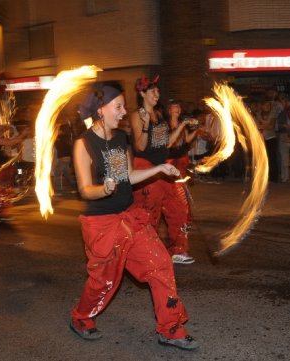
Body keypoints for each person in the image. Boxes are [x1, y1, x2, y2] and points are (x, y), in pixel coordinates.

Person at [70, 83, 199, 350]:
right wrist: (102, 189)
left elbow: (128, 175)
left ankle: (170, 327)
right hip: (102, 223)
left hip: (130, 216)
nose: (122, 112)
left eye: (122, 106)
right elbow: (85, 190)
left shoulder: (120, 139)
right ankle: (81, 317)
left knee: (161, 263)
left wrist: (160, 169)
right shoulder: (84, 144)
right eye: (117, 106)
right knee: (103, 281)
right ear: (100, 110)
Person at [129, 75, 195, 265]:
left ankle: (177, 250)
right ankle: (145, 254)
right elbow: (141, 147)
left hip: (163, 168)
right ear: (142, 93)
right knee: (149, 214)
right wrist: (146, 125)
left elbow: (166, 143)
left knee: (178, 209)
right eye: (153, 91)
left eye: (158, 91)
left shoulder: (158, 115)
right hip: (146, 170)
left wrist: (182, 125)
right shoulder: (137, 115)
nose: (157, 94)